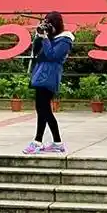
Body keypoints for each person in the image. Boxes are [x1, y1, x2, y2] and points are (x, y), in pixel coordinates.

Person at [23, 11, 73, 155]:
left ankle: (38, 141)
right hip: (40, 75)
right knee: (43, 110)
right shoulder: (49, 38)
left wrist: (45, 38)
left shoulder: (65, 40)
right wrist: (39, 37)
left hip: (50, 76)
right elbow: (36, 52)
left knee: (44, 110)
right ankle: (56, 142)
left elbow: (52, 56)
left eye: (49, 24)